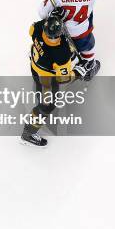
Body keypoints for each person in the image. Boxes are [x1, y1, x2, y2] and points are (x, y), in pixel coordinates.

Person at [21, 15, 100, 147]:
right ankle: (28, 134)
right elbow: (63, 79)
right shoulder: (60, 53)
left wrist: (54, 18)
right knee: (46, 107)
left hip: (35, 65)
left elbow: (31, 30)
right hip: (46, 80)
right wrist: (78, 72)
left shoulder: (39, 27)